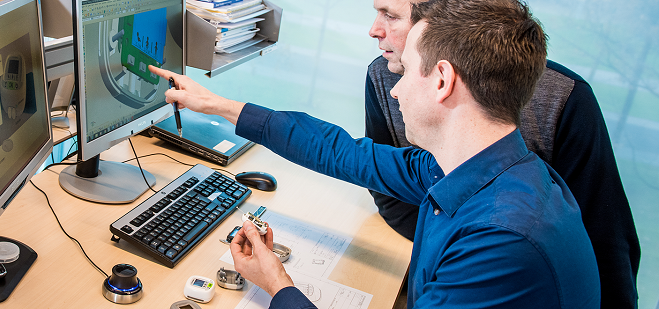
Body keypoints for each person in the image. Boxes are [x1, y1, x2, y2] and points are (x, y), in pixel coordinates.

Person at [149, 0, 601, 307]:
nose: (397, 89)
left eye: (409, 71)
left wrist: (277, 286)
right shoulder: (478, 169)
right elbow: (343, 152)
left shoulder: (500, 242)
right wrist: (217, 105)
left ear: (442, 80)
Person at [365, 0, 640, 307]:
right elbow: (374, 165)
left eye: (391, 16)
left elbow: (608, 243)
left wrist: (462, 254)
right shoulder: (477, 165)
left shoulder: (501, 234)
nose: (373, 30)